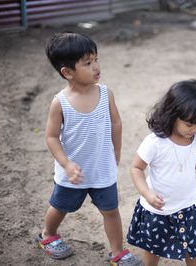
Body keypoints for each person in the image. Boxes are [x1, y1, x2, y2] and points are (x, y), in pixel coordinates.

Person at [37, 32, 142, 266]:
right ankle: (47, 235)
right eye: (87, 62)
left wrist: (116, 150)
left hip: (102, 169)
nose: (96, 66)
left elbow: (116, 122)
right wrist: (66, 164)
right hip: (72, 174)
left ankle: (117, 252)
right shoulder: (60, 103)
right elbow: (52, 137)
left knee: (111, 210)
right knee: (60, 206)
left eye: (96, 59)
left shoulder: (105, 93)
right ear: (67, 72)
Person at [127, 79, 196, 266]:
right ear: (172, 115)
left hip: (186, 207)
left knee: (194, 250)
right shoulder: (155, 142)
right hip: (157, 209)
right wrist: (147, 193)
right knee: (152, 249)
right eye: (190, 124)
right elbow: (136, 168)